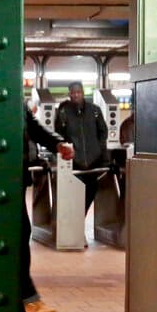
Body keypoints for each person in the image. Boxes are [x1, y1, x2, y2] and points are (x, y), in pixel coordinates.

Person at [23, 107, 74, 312]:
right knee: (17, 234)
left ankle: (26, 299)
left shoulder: (15, 99)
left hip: (14, 173)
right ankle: (27, 299)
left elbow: (34, 128)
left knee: (21, 233)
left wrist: (57, 143)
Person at [55, 81, 108, 213]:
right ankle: (77, 220)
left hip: (93, 162)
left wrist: (99, 148)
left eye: (78, 92)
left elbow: (103, 131)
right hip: (74, 163)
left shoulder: (94, 110)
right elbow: (59, 134)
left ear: (83, 93)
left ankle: (80, 216)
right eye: (73, 93)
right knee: (75, 196)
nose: (76, 95)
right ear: (70, 94)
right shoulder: (63, 112)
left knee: (91, 190)